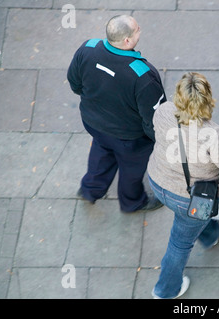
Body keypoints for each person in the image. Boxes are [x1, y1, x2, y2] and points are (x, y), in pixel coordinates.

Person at [147, 72, 219, 299]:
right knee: (179, 244)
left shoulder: (163, 112)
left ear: (178, 96)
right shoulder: (215, 135)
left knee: (192, 220)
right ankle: (165, 291)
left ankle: (210, 234)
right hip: (190, 198)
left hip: (158, 180)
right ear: (208, 99)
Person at [67, 15, 166, 213]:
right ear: (127, 40)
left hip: (93, 123)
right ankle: (132, 202)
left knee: (102, 150)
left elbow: (74, 82)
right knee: (132, 168)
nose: (141, 29)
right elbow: (154, 118)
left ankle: (90, 189)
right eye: (138, 29)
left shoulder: (87, 48)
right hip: (129, 137)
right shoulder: (143, 75)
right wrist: (157, 139)